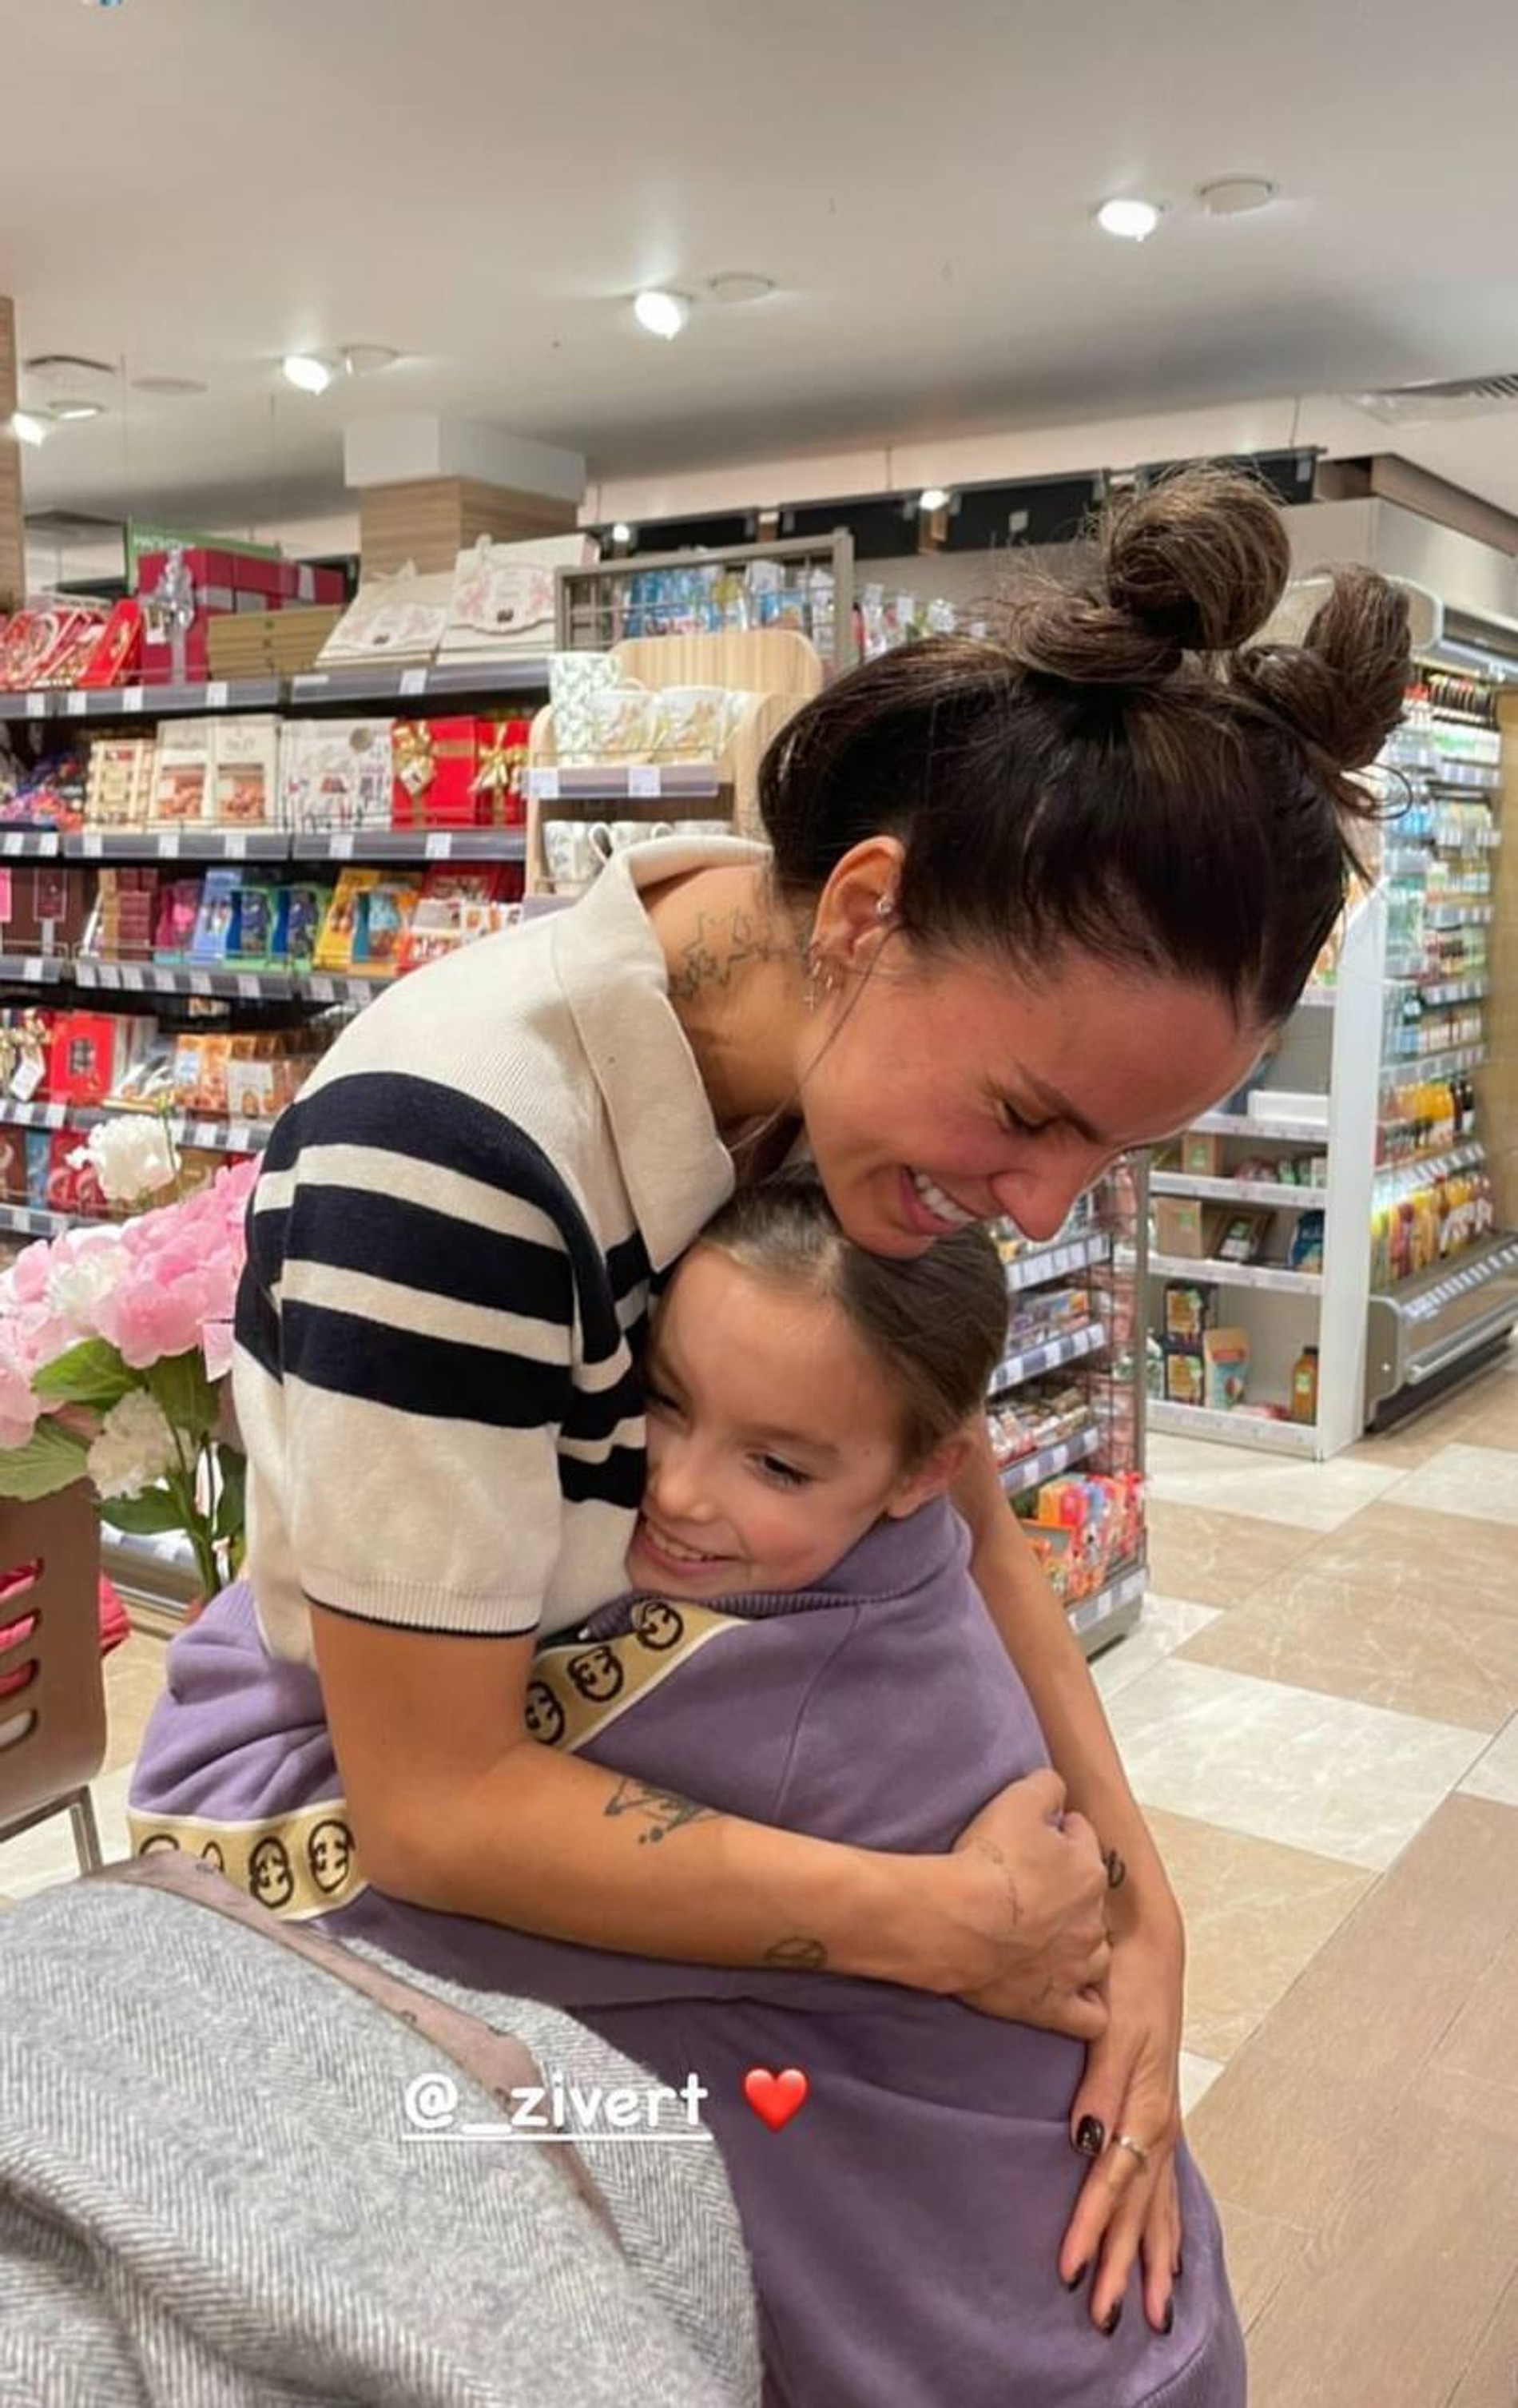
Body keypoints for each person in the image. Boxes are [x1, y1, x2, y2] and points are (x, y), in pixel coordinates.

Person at [134, 465, 1411, 2327]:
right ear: (866, 910)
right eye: (1029, 1115)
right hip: (422, 1806)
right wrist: (948, 1928)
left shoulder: (821, 1074)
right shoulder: (454, 1155)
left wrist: (1133, 1909)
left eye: (1107, 1153)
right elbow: (431, 1807)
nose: (1038, 1208)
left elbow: (960, 1495)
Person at [131, 1173, 1247, 2404]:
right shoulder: (901, 1578)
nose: (677, 1490)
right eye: (662, 1401)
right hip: (1123, 2326)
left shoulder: (737, 1704)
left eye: (775, 1463)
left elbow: (225, 1817)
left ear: (926, 1468)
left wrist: (320, 1558)